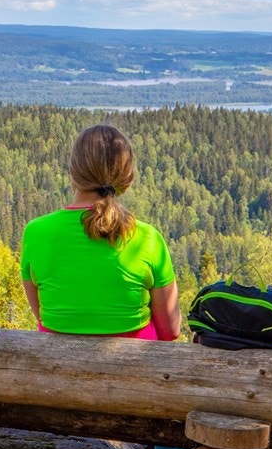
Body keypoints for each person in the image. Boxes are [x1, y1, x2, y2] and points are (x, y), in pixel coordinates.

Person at [19, 124, 181, 342]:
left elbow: (46, 318)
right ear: (126, 176)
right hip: (134, 372)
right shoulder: (147, 238)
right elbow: (170, 331)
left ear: (73, 173)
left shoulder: (36, 232)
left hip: (58, 370)